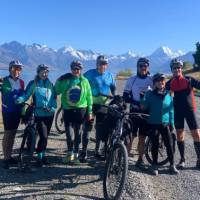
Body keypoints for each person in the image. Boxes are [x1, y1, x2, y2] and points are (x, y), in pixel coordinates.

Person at [16, 64, 57, 167]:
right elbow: (26, 95)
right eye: (42, 72)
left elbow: (53, 99)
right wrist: (20, 99)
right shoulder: (34, 83)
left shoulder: (50, 84)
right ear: (38, 72)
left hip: (49, 114)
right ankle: (39, 157)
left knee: (45, 137)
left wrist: (52, 108)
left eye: (46, 72)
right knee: (43, 135)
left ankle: (42, 155)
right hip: (38, 114)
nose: (44, 74)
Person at [55, 61, 93, 164]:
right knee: (69, 133)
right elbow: (57, 90)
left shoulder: (84, 81)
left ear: (80, 70)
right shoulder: (67, 80)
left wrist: (90, 112)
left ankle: (76, 155)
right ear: (71, 69)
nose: (76, 71)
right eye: (74, 69)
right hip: (68, 110)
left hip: (81, 110)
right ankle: (69, 154)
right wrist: (59, 79)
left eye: (78, 69)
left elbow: (89, 97)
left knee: (77, 133)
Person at [141, 73, 179, 175]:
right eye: (158, 80)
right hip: (153, 122)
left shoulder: (169, 94)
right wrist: (143, 97)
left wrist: (172, 123)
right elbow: (143, 107)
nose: (160, 82)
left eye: (162, 80)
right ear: (154, 83)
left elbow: (171, 110)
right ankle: (154, 165)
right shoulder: (149, 94)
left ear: (164, 82)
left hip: (165, 123)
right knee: (155, 145)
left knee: (169, 145)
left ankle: (172, 165)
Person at [80, 55, 116, 162]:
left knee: (100, 130)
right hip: (90, 105)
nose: (102, 66)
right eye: (101, 63)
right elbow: (80, 82)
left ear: (107, 65)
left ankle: (97, 152)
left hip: (103, 106)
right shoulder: (89, 74)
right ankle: (84, 152)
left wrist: (115, 96)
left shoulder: (109, 75)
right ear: (97, 64)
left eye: (104, 64)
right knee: (87, 128)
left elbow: (113, 89)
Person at [166, 59, 200, 169]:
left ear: (181, 69)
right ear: (172, 70)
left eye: (178, 67)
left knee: (196, 134)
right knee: (180, 134)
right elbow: (161, 92)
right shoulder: (169, 83)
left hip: (190, 111)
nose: (177, 69)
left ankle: (199, 159)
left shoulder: (189, 80)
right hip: (177, 111)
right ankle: (182, 159)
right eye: (174, 68)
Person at [123, 57, 153, 169]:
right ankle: (124, 158)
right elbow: (125, 96)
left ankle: (140, 159)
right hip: (134, 111)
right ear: (137, 67)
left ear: (148, 67)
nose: (143, 68)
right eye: (141, 66)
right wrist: (134, 102)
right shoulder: (132, 79)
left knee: (142, 137)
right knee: (131, 136)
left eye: (145, 66)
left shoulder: (152, 79)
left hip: (146, 112)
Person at [1, 60, 25, 169]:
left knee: (13, 134)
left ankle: (9, 156)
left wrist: (23, 112)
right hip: (8, 112)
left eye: (19, 69)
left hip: (17, 111)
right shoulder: (3, 81)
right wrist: (17, 98)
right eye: (14, 68)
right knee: (8, 134)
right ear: (10, 69)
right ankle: (5, 158)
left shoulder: (21, 82)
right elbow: (7, 95)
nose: (16, 71)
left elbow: (23, 98)